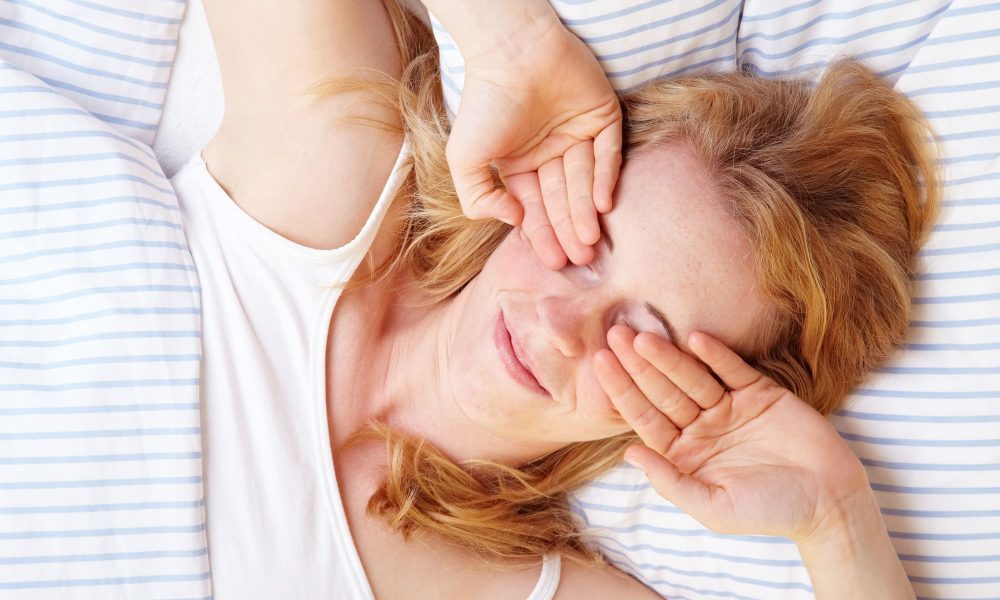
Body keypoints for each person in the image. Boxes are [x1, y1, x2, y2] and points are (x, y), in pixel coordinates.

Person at [174, 0, 939, 598]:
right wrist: (510, 42)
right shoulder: (335, 170)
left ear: (708, 401)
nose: (565, 328)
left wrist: (839, 522)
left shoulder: (514, 587)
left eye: (644, 339)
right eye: (586, 249)